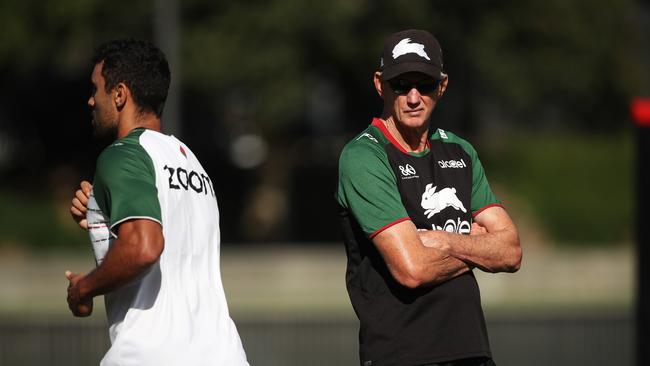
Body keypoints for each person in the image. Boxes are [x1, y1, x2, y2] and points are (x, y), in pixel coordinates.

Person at [336, 29, 522, 366]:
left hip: (473, 351)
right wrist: (476, 245)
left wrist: (445, 242)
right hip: (403, 354)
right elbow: (413, 269)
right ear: (380, 84)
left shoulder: (460, 151)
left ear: (443, 86)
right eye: (400, 85)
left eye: (424, 85)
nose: (413, 97)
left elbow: (511, 251)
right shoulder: (364, 156)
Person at [66, 39, 249, 366]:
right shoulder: (191, 162)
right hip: (224, 355)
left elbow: (144, 248)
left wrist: (83, 288)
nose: (91, 99)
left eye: (97, 89)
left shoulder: (123, 155)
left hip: (151, 354)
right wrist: (101, 220)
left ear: (120, 94)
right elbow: (166, 251)